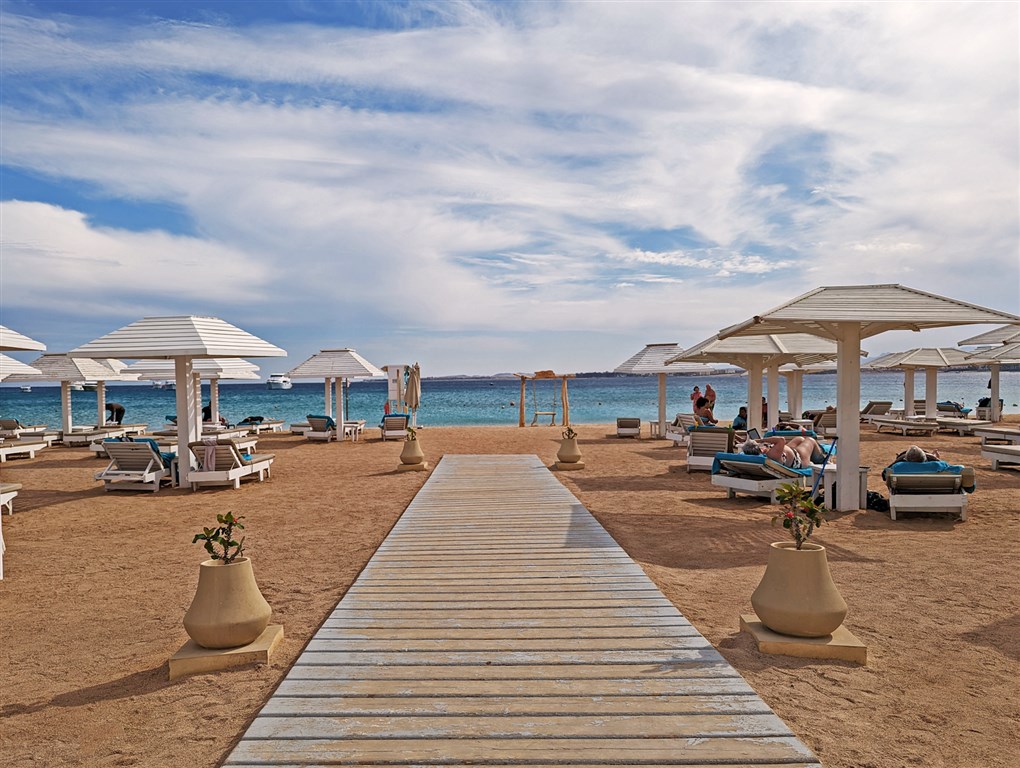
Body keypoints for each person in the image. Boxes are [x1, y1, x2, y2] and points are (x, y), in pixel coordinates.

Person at [742, 432, 826, 469]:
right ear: (759, 448)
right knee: (810, 440)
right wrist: (761, 440)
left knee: (799, 439)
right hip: (799, 459)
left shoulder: (763, 454)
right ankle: (822, 459)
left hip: (789, 454)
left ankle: (813, 454)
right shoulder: (771, 454)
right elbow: (781, 440)